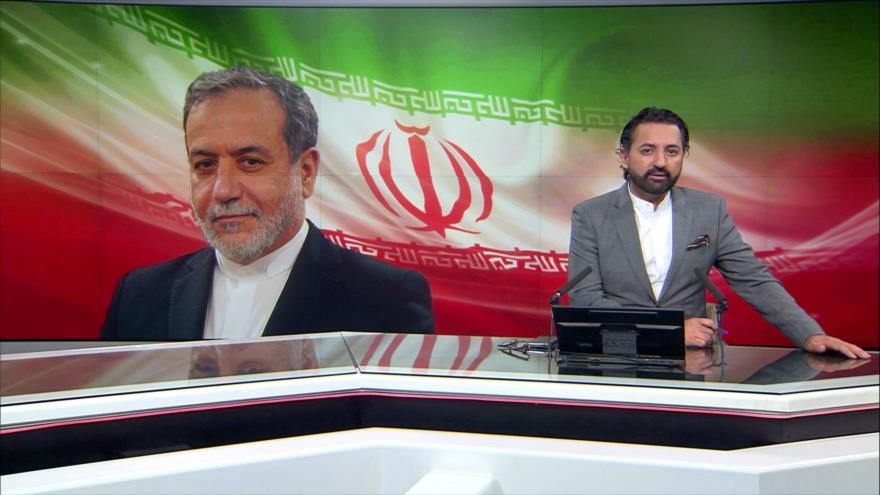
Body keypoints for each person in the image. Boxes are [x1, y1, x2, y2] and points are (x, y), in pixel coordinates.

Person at [102, 66, 434, 340]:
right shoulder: (139, 295)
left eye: (250, 162)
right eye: (205, 165)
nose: (223, 190)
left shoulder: (385, 299)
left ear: (305, 172)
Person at [567, 107, 868, 359]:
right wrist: (668, 331)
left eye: (672, 151)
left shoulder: (708, 210)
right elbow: (585, 297)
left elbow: (753, 279)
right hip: (617, 358)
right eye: (647, 150)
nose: (660, 162)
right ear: (623, 156)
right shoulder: (591, 215)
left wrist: (810, 335)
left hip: (692, 363)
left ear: (684, 155)